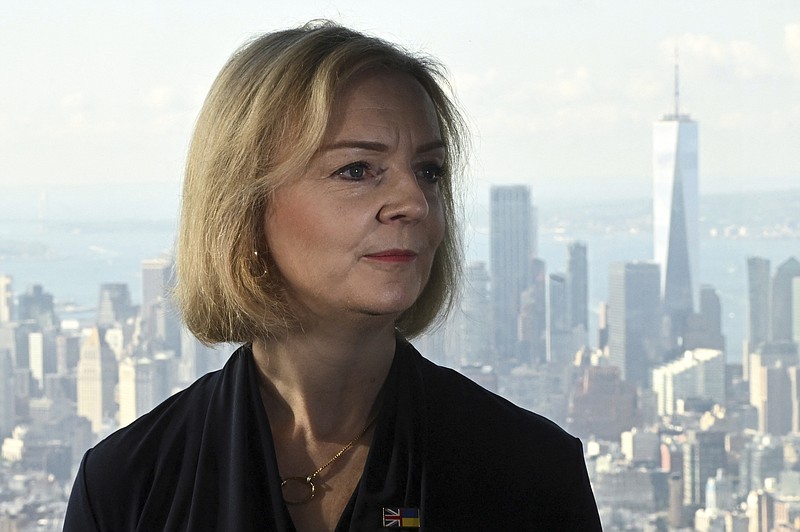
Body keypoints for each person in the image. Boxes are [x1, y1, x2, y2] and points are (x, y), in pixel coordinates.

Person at [64, 21, 601, 531]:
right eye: (357, 170)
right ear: (245, 207)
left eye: (429, 171)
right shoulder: (127, 487)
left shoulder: (530, 474)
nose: (414, 202)